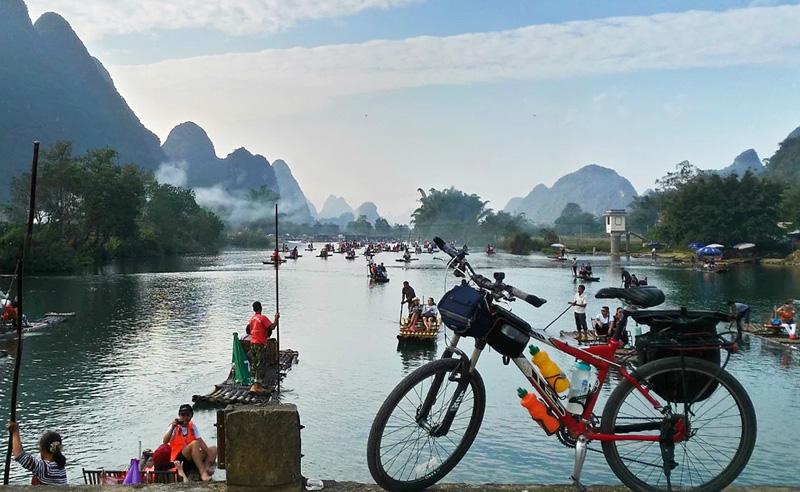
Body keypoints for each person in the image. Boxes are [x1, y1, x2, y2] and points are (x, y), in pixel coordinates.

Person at [162, 405, 217, 481]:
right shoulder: (174, 426)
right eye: (182, 415)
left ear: (191, 416)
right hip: (178, 458)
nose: (185, 417)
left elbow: (200, 441)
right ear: (179, 415)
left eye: (188, 415)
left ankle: (206, 468)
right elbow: (165, 441)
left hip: (192, 457)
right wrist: (172, 428)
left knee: (213, 449)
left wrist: (209, 454)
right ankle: (203, 473)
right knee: (194, 443)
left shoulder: (192, 427)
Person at [7, 420, 67, 485]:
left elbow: (20, 456)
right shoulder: (60, 467)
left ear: (43, 450)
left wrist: (15, 433)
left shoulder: (46, 469)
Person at [248, 301, 279, 393]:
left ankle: (255, 384)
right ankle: (257, 386)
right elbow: (272, 327)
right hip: (259, 343)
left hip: (253, 342)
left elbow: (250, 330)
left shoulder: (252, 319)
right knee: (259, 363)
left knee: (255, 363)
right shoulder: (262, 318)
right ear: (261, 308)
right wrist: (276, 318)